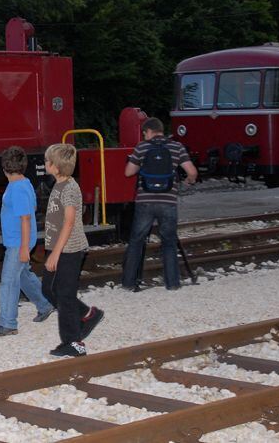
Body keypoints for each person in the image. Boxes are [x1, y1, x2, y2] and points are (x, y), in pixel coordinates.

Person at [40, 143, 104, 358]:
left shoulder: (69, 188)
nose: (45, 163)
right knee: (48, 289)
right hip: (58, 247)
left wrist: (56, 253)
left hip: (69, 249)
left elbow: (68, 222)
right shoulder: (59, 185)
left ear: (56, 167)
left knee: (65, 295)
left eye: (47, 161)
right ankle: (88, 314)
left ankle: (74, 342)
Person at [121, 117, 197, 291]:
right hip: (168, 201)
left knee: (136, 241)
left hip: (145, 201)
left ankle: (128, 283)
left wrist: (142, 165)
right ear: (161, 131)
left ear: (148, 131)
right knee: (169, 242)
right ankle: (172, 284)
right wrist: (188, 182)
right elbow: (192, 172)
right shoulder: (177, 147)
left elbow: (128, 172)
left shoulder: (142, 147)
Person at [0, 145, 54, 336]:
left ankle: (8, 323)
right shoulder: (21, 183)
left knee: (8, 280)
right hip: (18, 240)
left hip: (19, 242)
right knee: (23, 275)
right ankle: (45, 304)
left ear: (4, 167)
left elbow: (25, 218)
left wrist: (24, 247)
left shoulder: (17, 188)